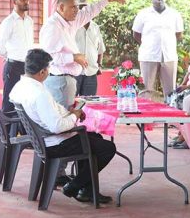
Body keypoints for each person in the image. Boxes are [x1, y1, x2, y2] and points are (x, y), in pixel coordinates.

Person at [9, 49, 116, 204]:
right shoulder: (39, 93)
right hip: (54, 142)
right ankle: (74, 186)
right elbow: (57, 127)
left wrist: (69, 113)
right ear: (43, 71)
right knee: (107, 148)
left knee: (94, 139)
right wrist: (75, 116)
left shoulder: (20, 86)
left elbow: (49, 116)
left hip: (42, 138)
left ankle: (86, 190)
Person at [40, 0, 123, 185]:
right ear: (60, 8)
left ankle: (60, 173)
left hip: (68, 80)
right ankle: (58, 174)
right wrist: (73, 57)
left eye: (77, 6)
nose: (77, 10)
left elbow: (89, 13)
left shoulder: (69, 22)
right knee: (63, 128)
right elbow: (48, 56)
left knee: (71, 124)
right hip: (60, 80)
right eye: (73, 7)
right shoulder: (52, 27)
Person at [132, 0, 184, 97]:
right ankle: (146, 112)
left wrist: (167, 43)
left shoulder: (174, 14)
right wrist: (149, 44)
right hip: (148, 55)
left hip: (169, 56)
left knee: (170, 91)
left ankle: (170, 111)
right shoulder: (143, 14)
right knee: (147, 89)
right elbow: (136, 34)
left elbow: (179, 34)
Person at [0, 0, 34, 114]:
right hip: (13, 67)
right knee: (9, 102)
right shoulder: (8, 22)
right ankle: (6, 134)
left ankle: (23, 132)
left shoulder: (30, 21)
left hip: (27, 67)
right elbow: (0, 48)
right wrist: (11, 56)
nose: (26, 1)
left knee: (25, 102)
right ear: (15, 2)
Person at [74, 0, 106, 96]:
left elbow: (100, 49)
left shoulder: (95, 27)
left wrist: (99, 65)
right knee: (71, 103)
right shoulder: (72, 26)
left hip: (91, 72)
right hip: (75, 72)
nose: (84, 11)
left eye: (86, 8)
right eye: (81, 8)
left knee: (89, 104)